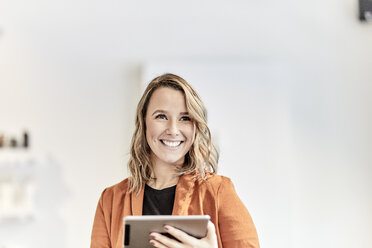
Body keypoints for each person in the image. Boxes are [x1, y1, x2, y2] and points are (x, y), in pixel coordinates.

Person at [90, 73, 260, 248]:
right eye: (161, 116)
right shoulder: (110, 200)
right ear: (144, 122)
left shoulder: (218, 192)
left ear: (195, 127)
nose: (173, 129)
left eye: (185, 118)